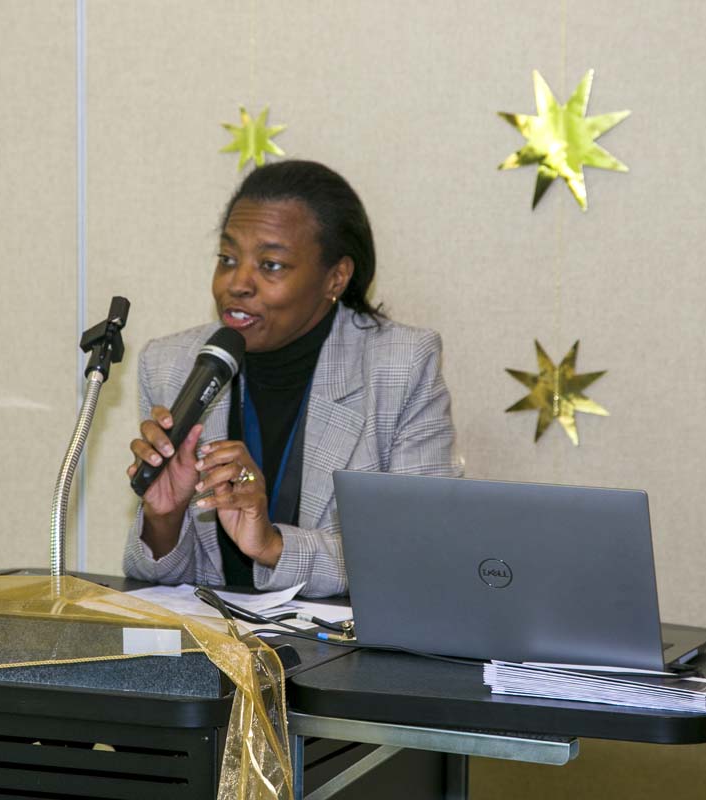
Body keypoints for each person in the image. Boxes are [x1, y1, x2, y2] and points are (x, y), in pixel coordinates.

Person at [123, 160, 458, 598]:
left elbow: (422, 556)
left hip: (341, 640)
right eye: (227, 259)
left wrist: (273, 545)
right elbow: (157, 581)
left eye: (271, 265)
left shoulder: (400, 365)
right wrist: (164, 518)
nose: (237, 283)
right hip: (214, 638)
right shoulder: (172, 364)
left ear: (335, 278)